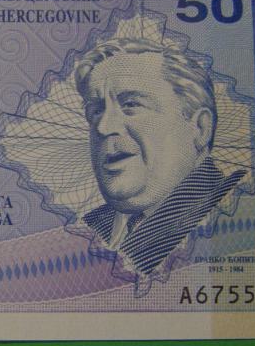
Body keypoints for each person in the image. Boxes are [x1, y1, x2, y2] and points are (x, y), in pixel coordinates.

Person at [75, 37, 245, 275]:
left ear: (200, 128)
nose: (103, 127)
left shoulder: (237, 213)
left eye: (131, 104)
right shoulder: (87, 231)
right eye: (95, 111)